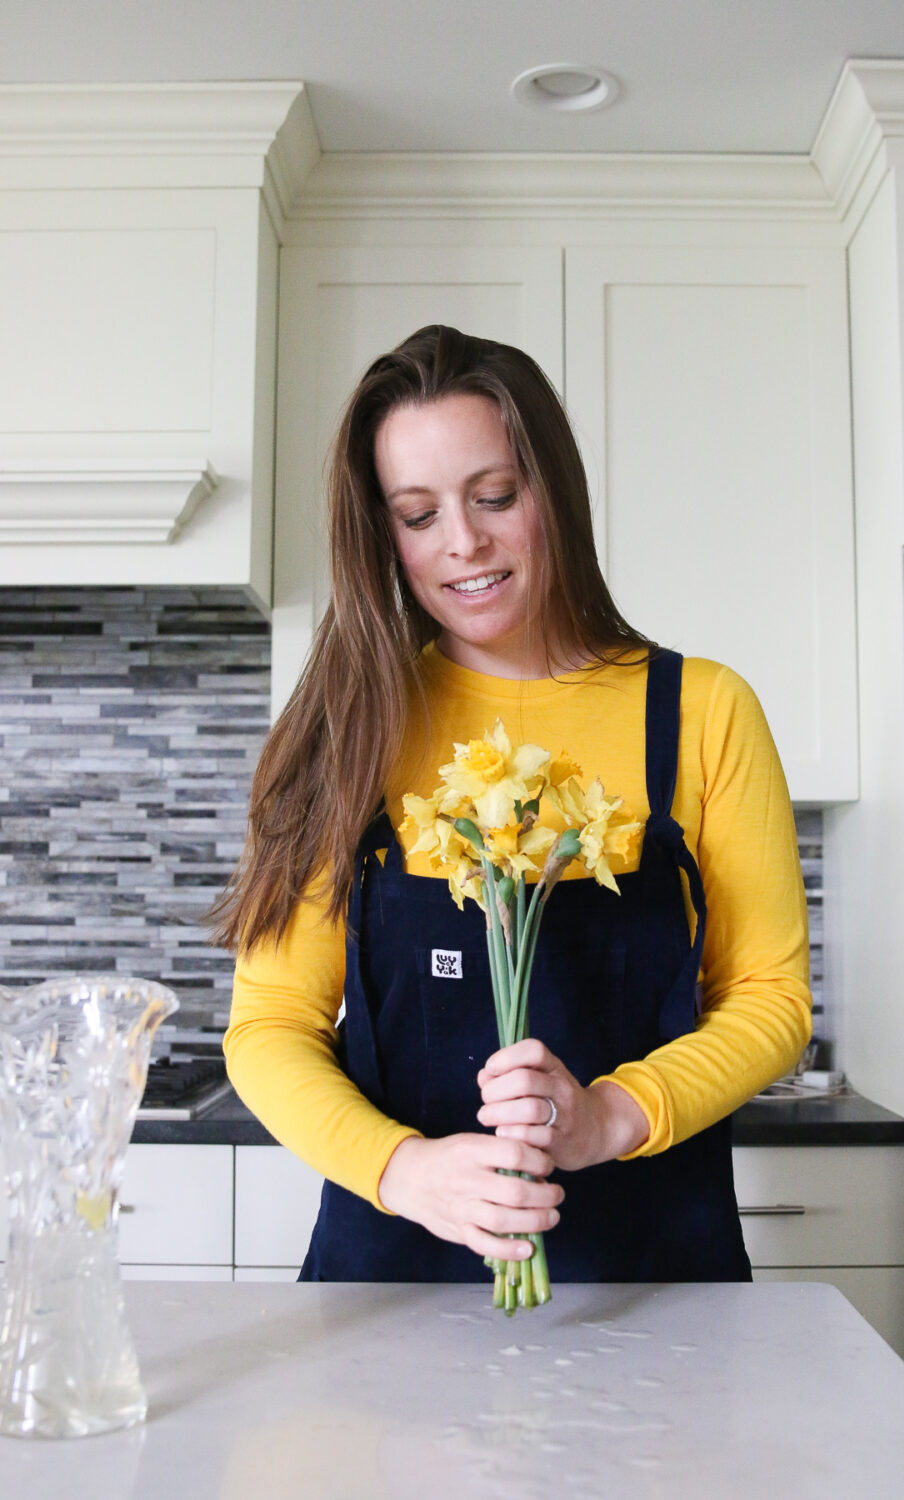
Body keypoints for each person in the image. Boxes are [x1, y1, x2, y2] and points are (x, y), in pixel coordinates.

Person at [219, 324, 811, 1283]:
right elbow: (268, 1024)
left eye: (494, 495)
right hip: (394, 1284)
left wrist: (614, 1115)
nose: (465, 543)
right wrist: (406, 1172)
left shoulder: (703, 712)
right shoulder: (350, 726)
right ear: (382, 534)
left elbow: (771, 1002)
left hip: (657, 1287)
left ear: (555, 491)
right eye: (417, 515)